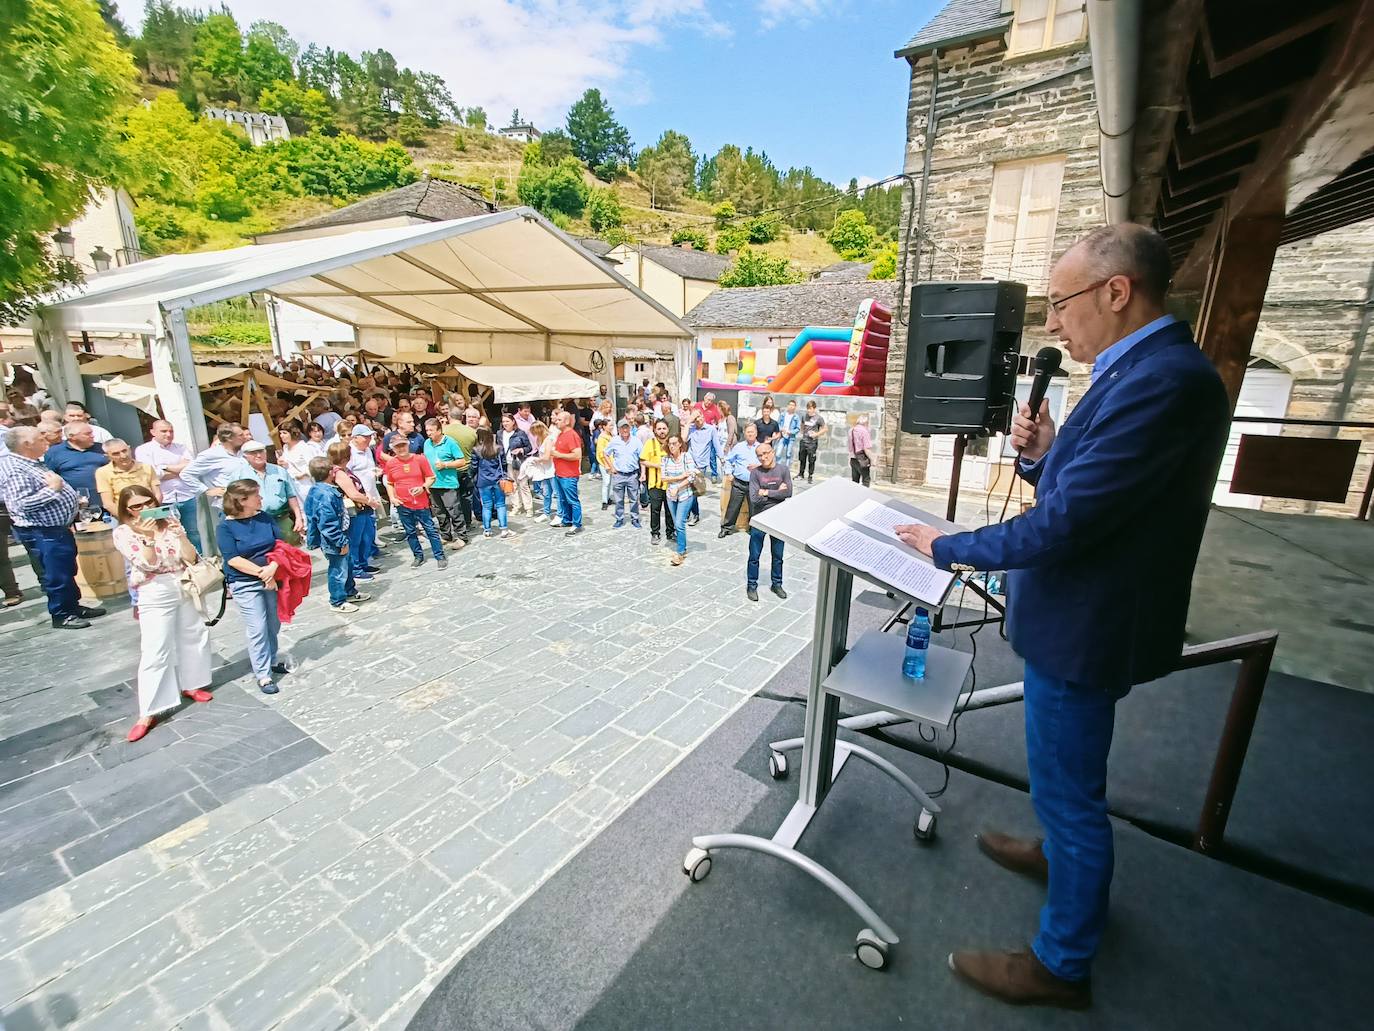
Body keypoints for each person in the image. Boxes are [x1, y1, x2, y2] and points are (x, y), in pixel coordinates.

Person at [893, 225, 1230, 1010]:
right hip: (1082, 614)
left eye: (1061, 302)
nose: (1052, 323)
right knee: (1066, 782)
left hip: (1087, 626)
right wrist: (1045, 452)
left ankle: (1060, 962)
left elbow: (1069, 525)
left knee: (1073, 795)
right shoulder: (1139, 371)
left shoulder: (1164, 382)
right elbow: (1093, 494)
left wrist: (950, 545)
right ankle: (1059, 852)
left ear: (1117, 292)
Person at [112, 484, 213, 742]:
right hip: (154, 588)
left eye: (148, 502)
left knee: (194, 633)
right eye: (136, 506)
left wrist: (180, 536)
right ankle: (149, 710)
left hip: (182, 581)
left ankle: (193, 683)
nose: (145, 509)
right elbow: (148, 563)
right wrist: (147, 539)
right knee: (156, 648)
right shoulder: (124, 532)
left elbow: (191, 557)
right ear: (127, 510)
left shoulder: (169, 520)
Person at [0, 427, 106, 629]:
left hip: (55, 529)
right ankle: (62, 614)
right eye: (39, 437)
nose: (45, 439)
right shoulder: (16, 469)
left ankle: (73, 607)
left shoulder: (31, 462)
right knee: (56, 574)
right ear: (26, 445)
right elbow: (21, 504)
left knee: (66, 570)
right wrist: (53, 490)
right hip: (42, 532)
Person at [216, 479, 289, 694]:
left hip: (272, 577)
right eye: (256, 495)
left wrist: (273, 567)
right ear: (241, 500)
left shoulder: (264, 518)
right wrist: (262, 573)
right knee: (257, 627)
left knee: (273, 623)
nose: (261, 498)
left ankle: (272, 658)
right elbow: (232, 559)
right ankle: (263, 674)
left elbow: (281, 544)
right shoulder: (225, 527)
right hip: (245, 582)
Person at [304, 457, 370, 613]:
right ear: (330, 473)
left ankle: (349, 592)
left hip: (340, 536)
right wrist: (340, 542)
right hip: (333, 540)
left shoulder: (319, 490)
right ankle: (337, 600)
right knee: (338, 569)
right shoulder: (325, 495)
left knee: (347, 564)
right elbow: (327, 524)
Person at [135, 420, 202, 552]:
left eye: (171, 431)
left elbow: (192, 468)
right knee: (166, 534)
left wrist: (164, 468)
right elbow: (151, 474)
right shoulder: (144, 450)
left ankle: (198, 564)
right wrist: (179, 470)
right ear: (153, 432)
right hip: (163, 499)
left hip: (186, 496)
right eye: (164, 431)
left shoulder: (181, 447)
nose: (169, 434)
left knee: (192, 533)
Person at [383, 434, 448, 568]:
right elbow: (390, 483)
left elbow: (431, 477)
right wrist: (392, 498)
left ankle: (439, 555)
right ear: (393, 449)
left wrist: (423, 487)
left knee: (430, 530)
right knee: (410, 532)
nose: (401, 449)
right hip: (403, 503)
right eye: (397, 447)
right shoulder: (391, 463)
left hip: (420, 503)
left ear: (408, 445)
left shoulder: (420, 459)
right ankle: (418, 556)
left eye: (403, 445)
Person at [745, 442, 791, 601]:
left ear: (772, 452)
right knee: (754, 555)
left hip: (779, 518)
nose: (763, 457)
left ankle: (777, 584)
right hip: (759, 519)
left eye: (765, 453)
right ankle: (751, 586)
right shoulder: (755, 473)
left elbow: (789, 492)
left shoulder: (783, 470)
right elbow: (754, 499)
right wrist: (777, 491)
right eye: (759, 455)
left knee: (778, 555)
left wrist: (765, 491)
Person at [235, 440, 305, 545]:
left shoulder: (279, 471)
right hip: (256, 522)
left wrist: (299, 518)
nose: (258, 455)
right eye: (253, 453)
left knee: (291, 553)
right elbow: (234, 501)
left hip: (282, 519)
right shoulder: (239, 476)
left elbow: (291, 495)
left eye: (261, 451)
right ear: (245, 456)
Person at [327, 441, 379, 581]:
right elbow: (353, 494)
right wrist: (371, 501)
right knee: (355, 540)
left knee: (366, 537)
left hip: (362, 507)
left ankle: (363, 563)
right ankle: (356, 568)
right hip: (354, 510)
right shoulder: (338, 473)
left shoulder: (344, 470)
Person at [182, 422, 249, 521]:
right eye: (241, 435)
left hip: (250, 503)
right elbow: (186, 474)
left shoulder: (244, 452)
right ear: (229, 438)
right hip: (230, 507)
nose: (245, 437)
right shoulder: (212, 455)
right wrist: (206, 490)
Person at [44, 421, 107, 517]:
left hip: (106, 501)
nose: (92, 436)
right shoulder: (55, 452)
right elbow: (51, 476)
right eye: (87, 434)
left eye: (91, 432)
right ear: (71, 436)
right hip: (78, 506)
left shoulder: (101, 448)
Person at [424, 417, 469, 544]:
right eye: (427, 430)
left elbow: (461, 461)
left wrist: (445, 465)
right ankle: (445, 535)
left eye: (431, 430)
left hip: (448, 483)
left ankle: (461, 537)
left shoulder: (450, 442)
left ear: (439, 430)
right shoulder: (427, 443)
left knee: (454, 511)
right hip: (433, 483)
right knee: (439, 512)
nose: (429, 433)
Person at [95, 439, 160, 518]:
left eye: (124, 451)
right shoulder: (103, 472)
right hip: (124, 517)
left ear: (129, 449)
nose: (123, 456)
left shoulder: (146, 467)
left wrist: (153, 514)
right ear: (107, 456)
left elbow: (158, 494)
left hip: (151, 514)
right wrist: (129, 520)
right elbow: (108, 503)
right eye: (116, 454)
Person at [660, 434, 698, 567]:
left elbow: (692, 476)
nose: (672, 446)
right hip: (671, 495)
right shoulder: (665, 459)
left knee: (679, 522)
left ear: (680, 444)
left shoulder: (686, 457)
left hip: (685, 494)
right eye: (670, 444)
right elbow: (663, 478)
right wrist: (681, 476)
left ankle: (680, 552)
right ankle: (683, 545)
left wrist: (679, 486)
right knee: (677, 524)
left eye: (675, 443)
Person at [719, 422, 761, 538]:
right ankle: (726, 528)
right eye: (748, 432)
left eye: (752, 432)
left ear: (756, 433)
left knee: (754, 507)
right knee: (733, 506)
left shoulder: (761, 447)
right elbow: (728, 460)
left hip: (755, 483)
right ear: (745, 434)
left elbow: (767, 463)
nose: (750, 434)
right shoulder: (738, 447)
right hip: (739, 482)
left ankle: (753, 529)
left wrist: (757, 466)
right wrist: (728, 473)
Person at [640, 418, 677, 546]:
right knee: (655, 509)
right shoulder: (650, 443)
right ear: (655, 430)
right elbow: (643, 460)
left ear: (668, 429)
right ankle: (655, 533)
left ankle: (670, 532)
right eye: (659, 428)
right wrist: (657, 466)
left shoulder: (672, 443)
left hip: (670, 483)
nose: (662, 431)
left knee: (670, 509)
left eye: (664, 428)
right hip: (654, 484)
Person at [473, 427, 515, 539]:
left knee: (486, 506)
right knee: (500, 505)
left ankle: (487, 530)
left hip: (483, 481)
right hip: (498, 480)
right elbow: (504, 464)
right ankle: (504, 529)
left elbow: (473, 467)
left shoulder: (476, 450)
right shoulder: (498, 448)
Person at [603, 419, 643, 529]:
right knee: (619, 499)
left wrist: (643, 472)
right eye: (622, 428)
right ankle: (619, 518)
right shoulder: (614, 441)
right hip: (619, 474)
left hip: (632, 474)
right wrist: (611, 467)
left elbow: (642, 458)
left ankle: (635, 518)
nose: (625, 430)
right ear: (619, 429)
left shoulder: (636, 441)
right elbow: (605, 453)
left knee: (634, 498)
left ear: (630, 428)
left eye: (626, 427)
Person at [551, 411, 583, 536]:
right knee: (563, 499)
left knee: (572, 500)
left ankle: (576, 524)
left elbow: (577, 454)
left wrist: (559, 455)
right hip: (559, 473)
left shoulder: (571, 435)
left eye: (559, 420)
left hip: (569, 475)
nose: (556, 421)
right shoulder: (561, 434)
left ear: (567, 421)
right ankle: (567, 520)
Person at [498, 413, 533, 517]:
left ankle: (528, 508)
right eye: (503, 421)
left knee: (523, 485)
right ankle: (516, 506)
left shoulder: (520, 433)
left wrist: (521, 450)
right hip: (507, 463)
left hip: (519, 462)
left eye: (507, 421)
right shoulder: (500, 433)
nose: (505, 423)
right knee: (512, 485)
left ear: (513, 422)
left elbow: (529, 447)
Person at [524, 421, 557, 522]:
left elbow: (547, 457)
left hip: (552, 469)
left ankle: (560, 513)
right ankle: (546, 512)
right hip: (544, 470)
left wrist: (534, 460)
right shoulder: (539, 439)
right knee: (546, 493)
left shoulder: (549, 439)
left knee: (556, 493)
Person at [686, 410, 718, 504]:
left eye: (699, 417)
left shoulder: (711, 429)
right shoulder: (691, 429)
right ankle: (690, 512)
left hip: (701, 463)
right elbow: (683, 439)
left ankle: (694, 513)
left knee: (695, 488)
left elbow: (716, 444)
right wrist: (688, 422)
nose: (698, 420)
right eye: (695, 419)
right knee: (689, 488)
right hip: (690, 461)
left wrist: (722, 457)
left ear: (703, 417)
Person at [278, 423, 316, 501]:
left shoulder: (303, 447)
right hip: (293, 484)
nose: (281, 436)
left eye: (284, 433)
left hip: (306, 483)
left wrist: (302, 474)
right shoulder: (285, 447)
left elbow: (313, 466)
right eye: (280, 433)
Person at [797, 400, 826, 483]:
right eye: (808, 408)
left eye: (810, 408)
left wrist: (816, 434)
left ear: (814, 408)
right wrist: (803, 433)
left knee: (811, 460)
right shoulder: (804, 416)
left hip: (812, 443)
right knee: (802, 459)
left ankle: (810, 475)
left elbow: (825, 428)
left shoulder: (819, 418)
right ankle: (801, 474)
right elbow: (802, 425)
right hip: (804, 441)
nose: (809, 410)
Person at [846, 414, 876, 486]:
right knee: (866, 480)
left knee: (855, 482)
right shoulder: (864, 431)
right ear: (866, 423)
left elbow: (850, 448)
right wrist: (873, 460)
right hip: (862, 460)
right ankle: (863, 496)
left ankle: (854, 496)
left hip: (853, 459)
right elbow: (866, 449)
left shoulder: (851, 430)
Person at [779, 400, 801, 465]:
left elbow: (798, 428)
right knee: (778, 453)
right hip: (782, 436)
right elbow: (778, 424)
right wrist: (781, 429)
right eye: (790, 405)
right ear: (787, 406)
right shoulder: (782, 414)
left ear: (795, 407)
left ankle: (786, 470)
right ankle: (778, 469)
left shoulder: (796, 417)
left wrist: (790, 432)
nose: (791, 407)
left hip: (791, 437)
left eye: (793, 405)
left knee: (788, 454)